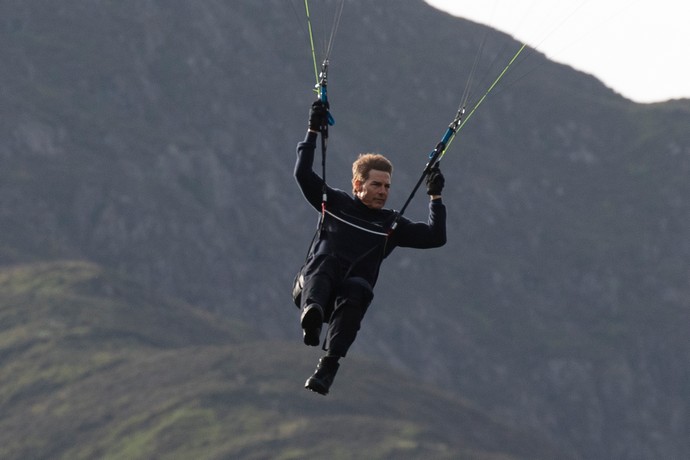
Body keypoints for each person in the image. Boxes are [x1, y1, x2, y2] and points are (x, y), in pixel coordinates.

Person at [293, 100, 447, 395]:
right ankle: (311, 317)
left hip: (346, 300)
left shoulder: (391, 224)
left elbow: (434, 236)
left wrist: (435, 196)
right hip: (313, 286)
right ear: (357, 184)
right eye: (377, 185)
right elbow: (302, 174)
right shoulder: (335, 202)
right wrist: (313, 129)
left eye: (387, 187)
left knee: (359, 287)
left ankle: (328, 367)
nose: (383, 192)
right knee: (325, 262)